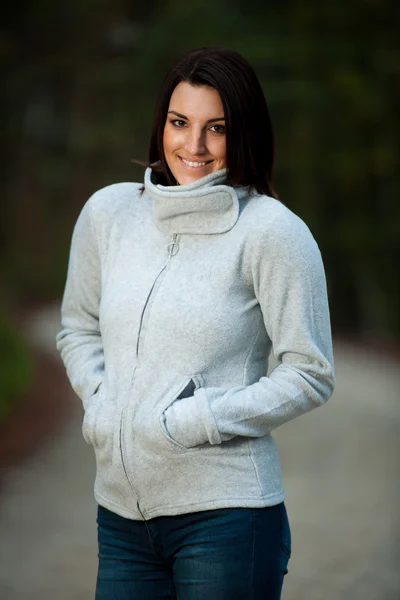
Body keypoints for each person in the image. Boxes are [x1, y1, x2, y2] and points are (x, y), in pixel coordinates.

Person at [56, 46, 335, 600]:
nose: (195, 146)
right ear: (161, 122)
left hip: (226, 520)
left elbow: (310, 372)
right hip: (120, 518)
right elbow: (77, 327)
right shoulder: (109, 215)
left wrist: (199, 419)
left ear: (244, 133)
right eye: (180, 123)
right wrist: (101, 401)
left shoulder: (272, 233)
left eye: (218, 128)